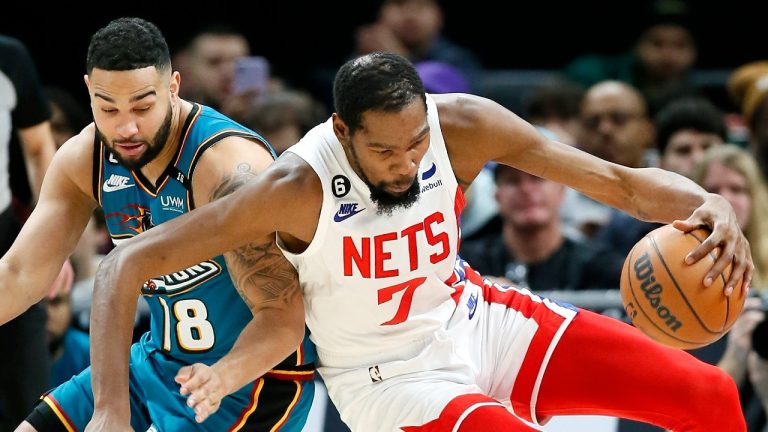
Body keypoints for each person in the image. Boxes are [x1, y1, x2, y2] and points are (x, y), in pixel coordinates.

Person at [89, 52, 752, 431]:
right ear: (343, 133)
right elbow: (125, 265)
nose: (408, 163)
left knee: (711, 398)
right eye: (386, 152)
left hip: (476, 316)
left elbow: (621, 183)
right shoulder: (291, 187)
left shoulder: (461, 125)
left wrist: (708, 202)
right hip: (386, 379)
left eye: (416, 143)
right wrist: (112, 412)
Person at [0, 18, 315, 431]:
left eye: (143, 107)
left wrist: (220, 377)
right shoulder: (86, 158)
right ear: (88, 92)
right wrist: (109, 408)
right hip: (157, 360)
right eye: (107, 108)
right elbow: (21, 274)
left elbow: (282, 317)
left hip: (250, 378)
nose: (126, 127)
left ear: (173, 87)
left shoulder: (226, 168)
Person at [0, 34, 60, 431]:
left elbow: (40, 147)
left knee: (29, 401)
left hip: (6, 241)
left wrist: (51, 239)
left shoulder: (9, 56)